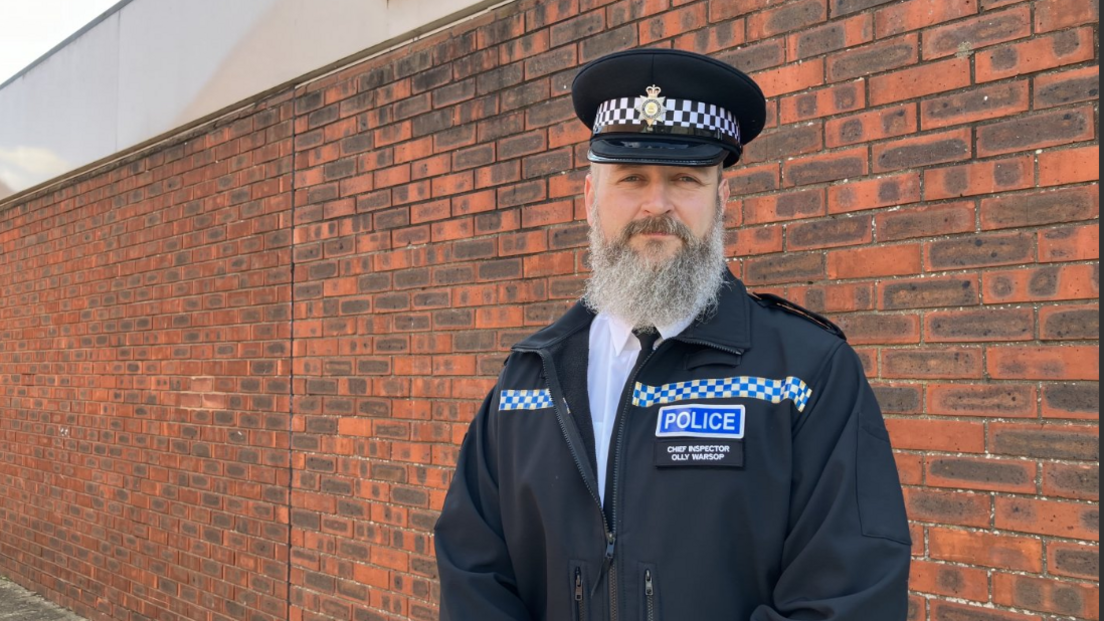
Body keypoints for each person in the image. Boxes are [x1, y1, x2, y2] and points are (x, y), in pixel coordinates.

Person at [434, 48, 911, 621]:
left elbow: (850, 596)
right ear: (590, 199)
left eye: (684, 179)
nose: (656, 205)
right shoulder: (526, 384)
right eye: (631, 178)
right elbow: (474, 576)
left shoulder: (807, 375)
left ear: (721, 199)